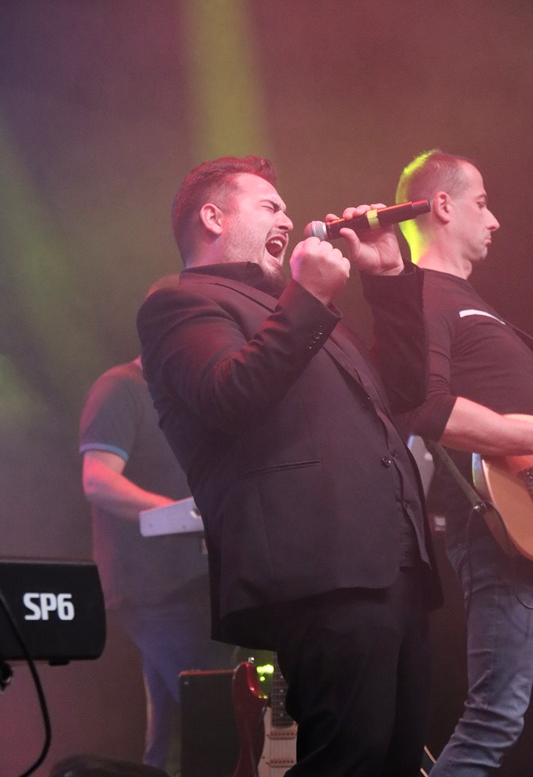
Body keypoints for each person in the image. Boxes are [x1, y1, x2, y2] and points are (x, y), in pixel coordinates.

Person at [137, 155, 440, 777]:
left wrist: (388, 278)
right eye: (269, 206)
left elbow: (404, 392)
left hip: (390, 558)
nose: (288, 219)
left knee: (395, 758)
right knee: (348, 757)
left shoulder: (296, 314)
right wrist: (312, 295)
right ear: (213, 217)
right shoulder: (180, 302)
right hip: (319, 565)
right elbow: (230, 395)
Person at [395, 149, 533, 776]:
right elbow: (427, 408)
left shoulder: (472, 301)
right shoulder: (422, 296)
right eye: (482, 202)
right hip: (501, 523)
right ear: (443, 205)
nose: (495, 219)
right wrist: (519, 433)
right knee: (496, 713)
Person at [79, 314, 233, 775]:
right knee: (212, 711)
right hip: (154, 587)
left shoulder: (187, 399)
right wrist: (178, 512)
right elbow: (97, 479)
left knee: (173, 728)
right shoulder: (121, 388)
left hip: (192, 585)